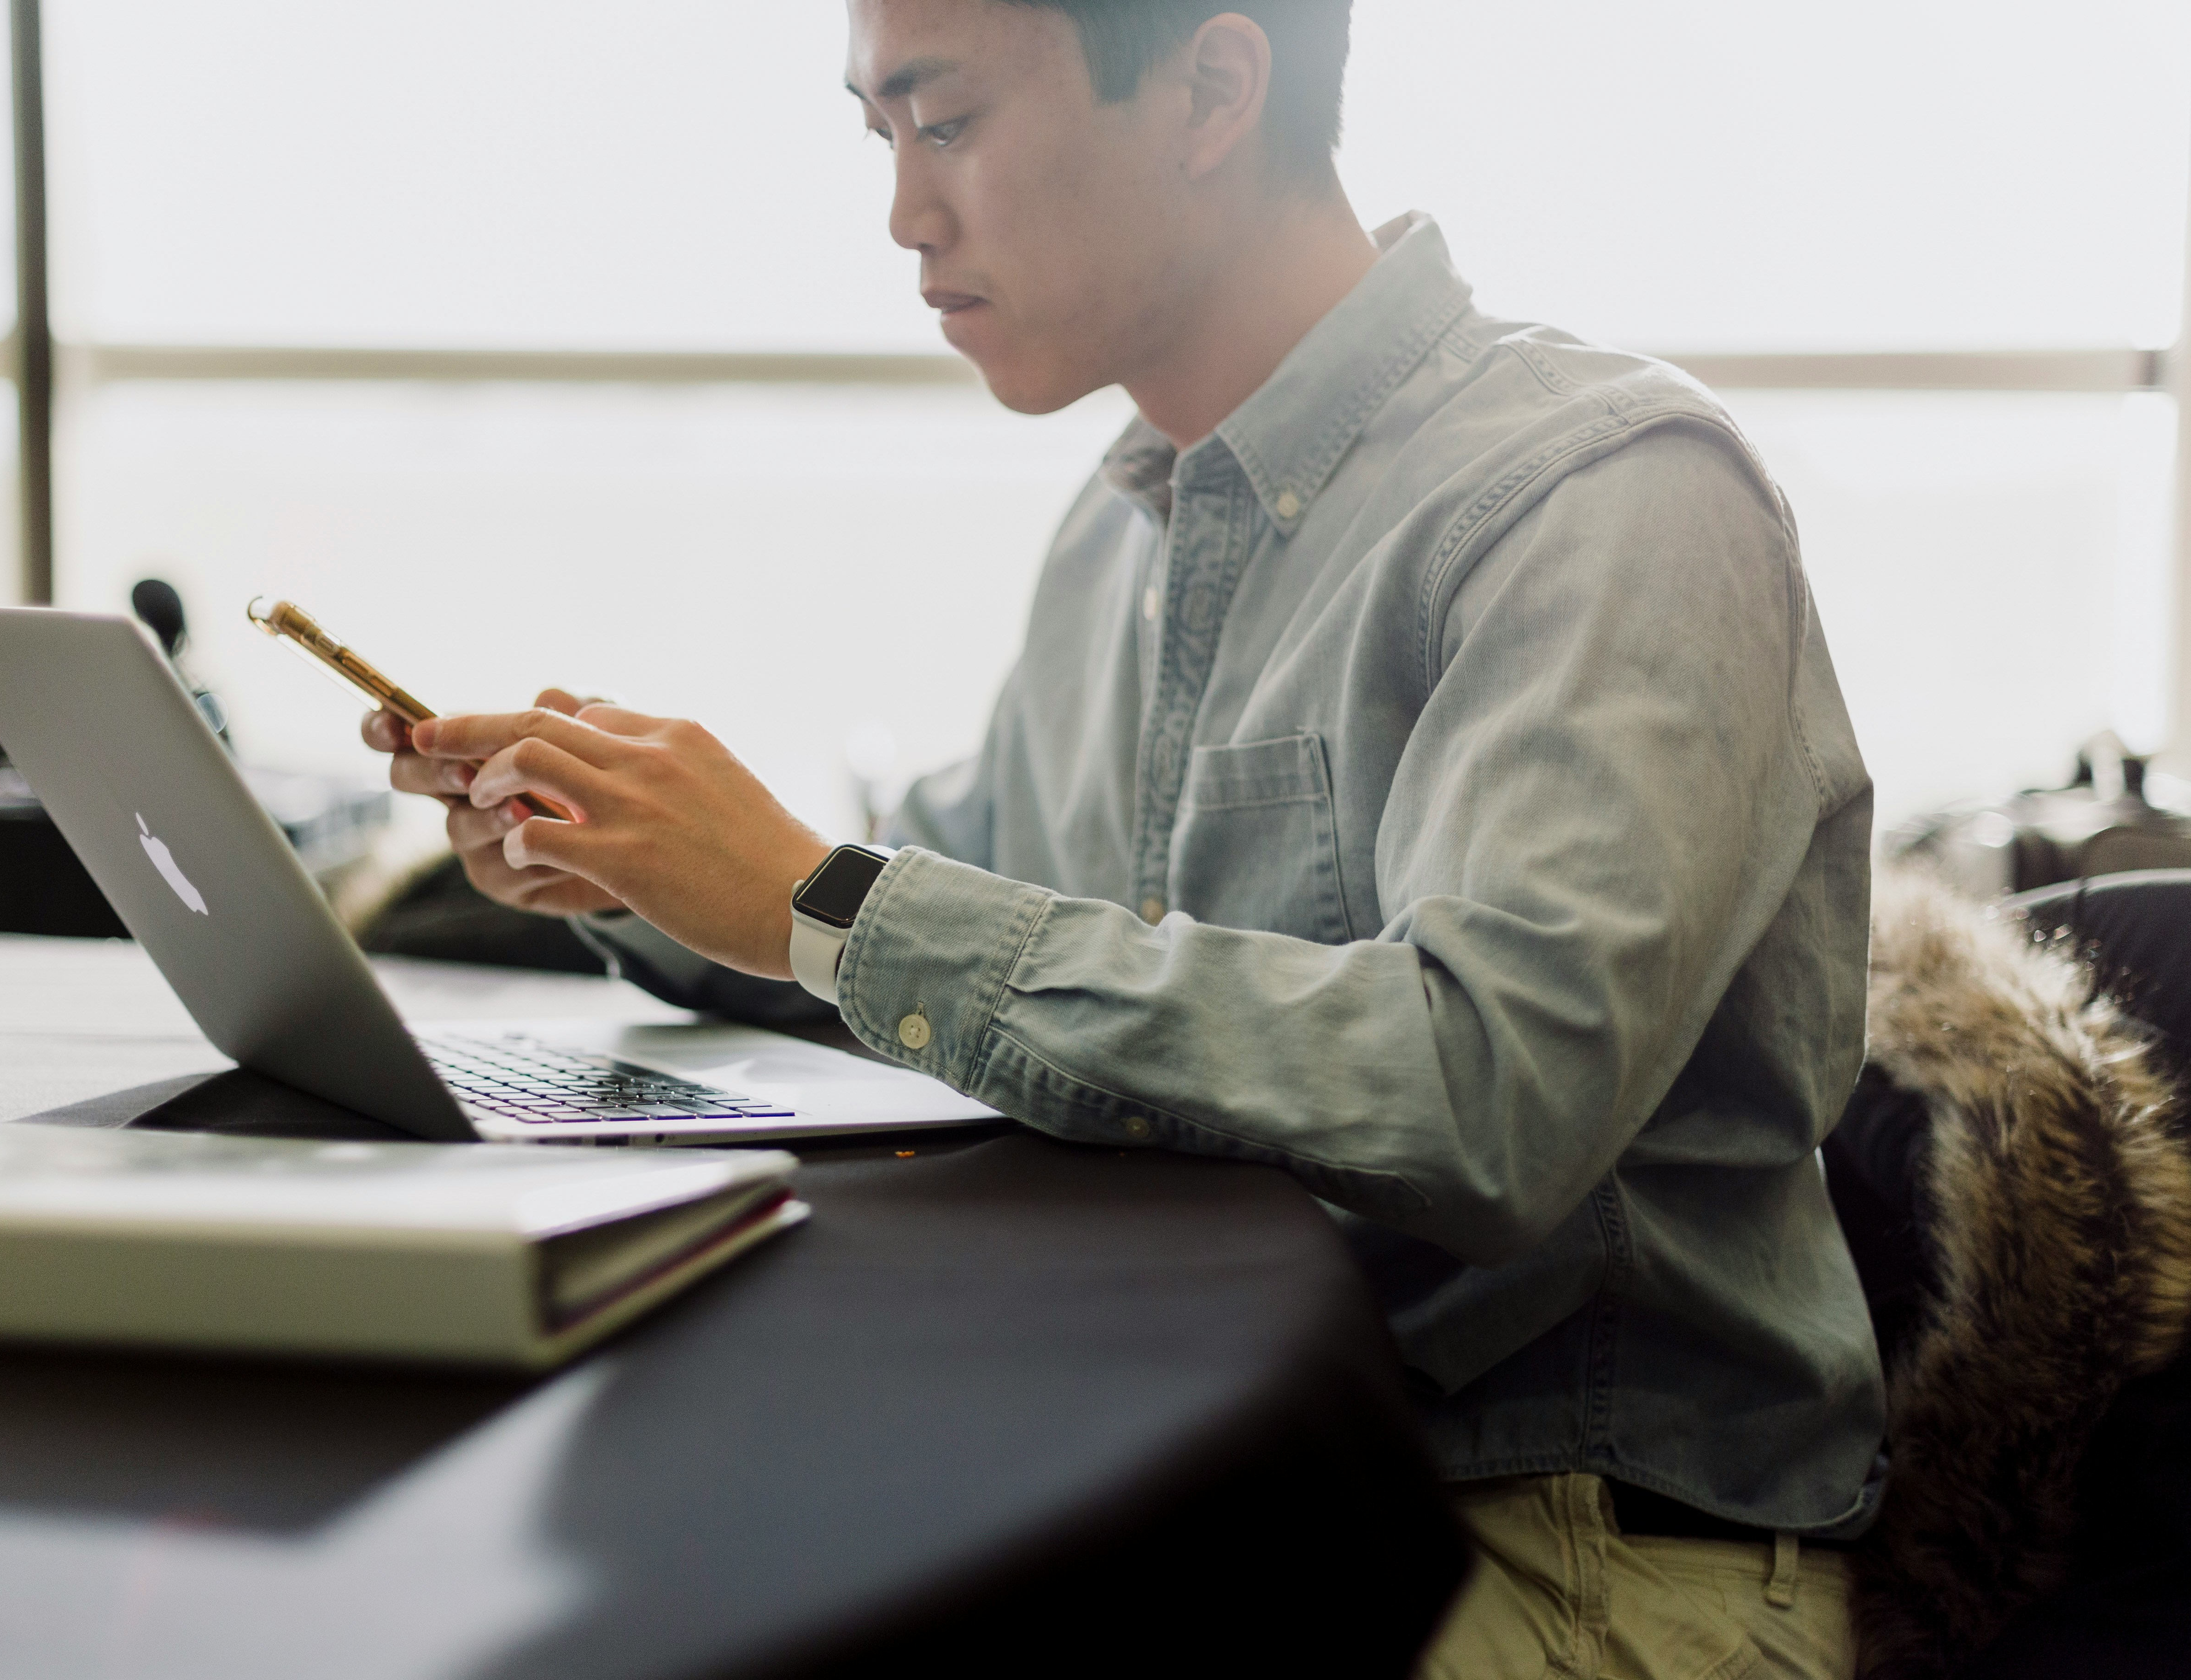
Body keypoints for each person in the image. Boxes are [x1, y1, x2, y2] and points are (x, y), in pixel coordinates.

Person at [366, 3, 1881, 1673]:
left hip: (1553, 1534)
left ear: (1213, 89)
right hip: (1208, 1466)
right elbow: (949, 932)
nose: (904, 216)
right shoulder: (1122, 533)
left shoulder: (1605, 498)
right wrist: (643, 870)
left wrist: (822, 899)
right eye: (880, 138)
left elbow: (1490, 1091)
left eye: (943, 122)